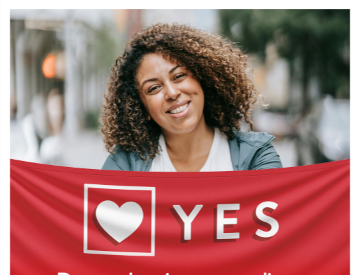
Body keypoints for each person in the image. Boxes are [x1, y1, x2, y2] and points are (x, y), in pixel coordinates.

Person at [101, 23, 282, 172]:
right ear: (142, 108)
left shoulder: (255, 156)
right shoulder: (125, 164)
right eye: (154, 88)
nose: (172, 93)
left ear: (203, 80)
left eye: (179, 76)